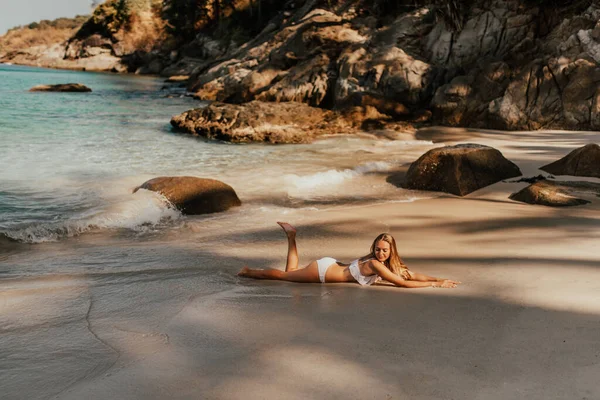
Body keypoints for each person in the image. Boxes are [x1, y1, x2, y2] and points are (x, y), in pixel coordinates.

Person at [237, 222, 460, 288]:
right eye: (377, 249)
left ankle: (291, 238)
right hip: (323, 271)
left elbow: (409, 274)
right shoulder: (374, 264)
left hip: (329, 266)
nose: (380, 253)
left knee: (289, 272)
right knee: (284, 276)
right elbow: (401, 283)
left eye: (384, 250)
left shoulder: (385, 263)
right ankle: (249, 272)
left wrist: (437, 278)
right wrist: (434, 286)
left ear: (391, 251)